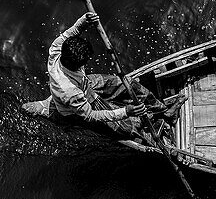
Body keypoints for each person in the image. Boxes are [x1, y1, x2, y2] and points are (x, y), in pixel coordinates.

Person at [22, 12, 184, 141]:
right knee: (127, 128)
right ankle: (141, 127)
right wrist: (126, 111)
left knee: (130, 85)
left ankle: (165, 112)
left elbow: (72, 31)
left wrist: (84, 21)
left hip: (87, 83)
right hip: (84, 97)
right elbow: (91, 116)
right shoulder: (70, 92)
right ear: (76, 64)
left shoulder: (57, 49)